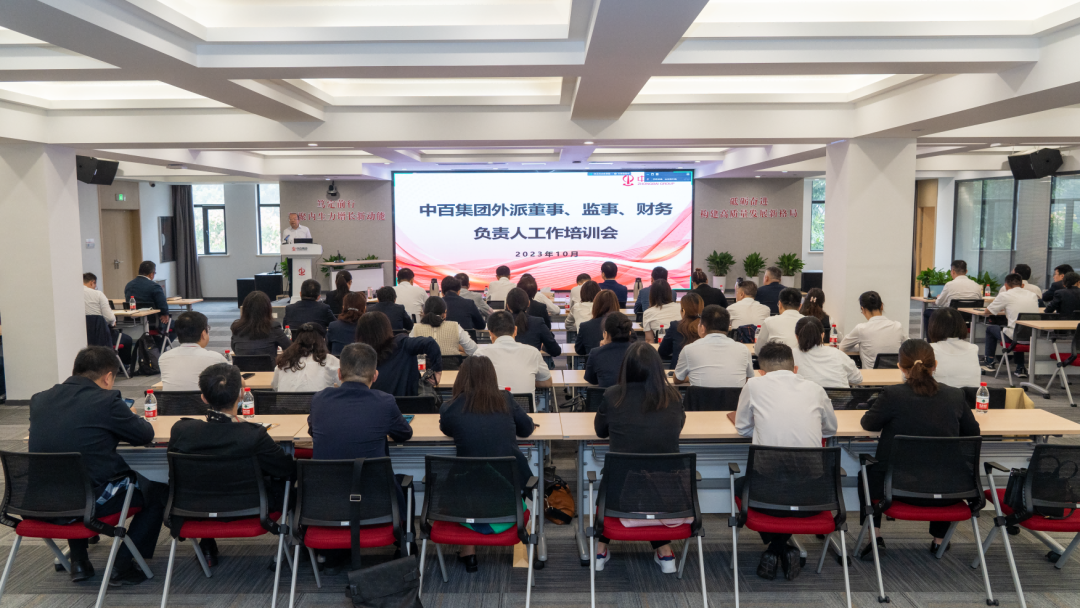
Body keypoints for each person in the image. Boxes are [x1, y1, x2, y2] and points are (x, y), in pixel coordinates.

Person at [28, 346, 165, 585]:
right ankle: (123, 565)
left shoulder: (39, 399)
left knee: (72, 476)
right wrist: (128, 414)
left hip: (39, 500)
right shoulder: (107, 400)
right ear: (108, 377)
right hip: (91, 501)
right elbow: (144, 435)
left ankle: (79, 562)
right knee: (158, 491)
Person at [858, 339, 980, 559]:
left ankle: (874, 537)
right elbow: (973, 432)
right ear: (935, 365)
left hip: (894, 488)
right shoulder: (955, 395)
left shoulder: (893, 395)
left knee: (865, 475)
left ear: (900, 367)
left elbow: (868, 424)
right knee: (942, 468)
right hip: (948, 490)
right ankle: (939, 541)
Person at [170, 363, 297, 566]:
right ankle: (300, 548)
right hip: (252, 508)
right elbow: (286, 469)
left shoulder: (181, 430)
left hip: (194, 508)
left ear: (203, 398)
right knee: (296, 489)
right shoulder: (253, 434)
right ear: (241, 395)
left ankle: (207, 544)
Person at [732, 341, 837, 580]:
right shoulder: (815, 388)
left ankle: (775, 548)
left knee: (740, 485)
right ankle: (783, 548)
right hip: (814, 499)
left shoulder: (754, 385)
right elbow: (830, 430)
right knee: (788, 491)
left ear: (761, 371)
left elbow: (742, 427)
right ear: (795, 369)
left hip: (766, 498)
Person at [593, 342, 685, 574]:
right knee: (649, 473)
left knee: (616, 476)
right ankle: (664, 551)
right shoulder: (673, 397)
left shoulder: (613, 395)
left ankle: (600, 548)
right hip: (666, 495)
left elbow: (600, 431)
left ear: (626, 368)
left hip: (621, 495)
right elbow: (677, 427)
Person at [439, 355, 536, 572]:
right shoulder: (505, 399)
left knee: (468, 483)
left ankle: (469, 552)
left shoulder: (449, 407)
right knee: (483, 482)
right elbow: (527, 429)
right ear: (492, 377)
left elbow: (446, 429)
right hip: (508, 492)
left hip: (466, 498)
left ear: (461, 378)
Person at [308, 342, 413, 459]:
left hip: (326, 471)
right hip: (371, 471)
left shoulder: (319, 399)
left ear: (339, 374)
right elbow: (404, 433)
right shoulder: (385, 402)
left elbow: (313, 431)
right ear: (375, 376)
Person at [355, 311, 442, 397]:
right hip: (409, 404)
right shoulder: (402, 344)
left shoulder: (358, 356)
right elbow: (430, 343)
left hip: (373, 405)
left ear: (360, 334)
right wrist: (437, 371)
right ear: (387, 328)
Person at [674, 304, 753, 387]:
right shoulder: (743, 350)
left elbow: (678, 379)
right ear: (727, 328)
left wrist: (690, 377)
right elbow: (749, 378)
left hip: (700, 396)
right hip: (735, 396)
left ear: (703, 328)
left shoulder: (689, 350)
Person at [475, 311, 552, 395]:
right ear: (515, 330)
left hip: (492, 403)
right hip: (523, 404)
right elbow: (547, 382)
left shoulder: (480, 354)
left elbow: (472, 384)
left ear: (490, 333)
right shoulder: (533, 352)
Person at [981, 272, 1040, 376]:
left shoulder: (1005, 295)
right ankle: (1020, 367)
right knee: (1019, 329)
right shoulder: (1033, 295)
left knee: (991, 329)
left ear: (1006, 286)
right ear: (1022, 285)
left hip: (1015, 337)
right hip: (1033, 336)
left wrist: (1003, 307)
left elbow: (987, 312)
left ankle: (989, 361)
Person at [159, 311, 227, 391]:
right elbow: (234, 384)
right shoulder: (216, 358)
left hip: (171, 399)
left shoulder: (164, 358)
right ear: (203, 333)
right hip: (204, 399)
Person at [839, 291, 905, 369]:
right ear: (882, 306)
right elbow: (909, 347)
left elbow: (842, 347)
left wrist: (861, 346)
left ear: (863, 309)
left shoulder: (861, 329)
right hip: (895, 375)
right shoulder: (897, 326)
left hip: (871, 375)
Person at [793, 316, 862, 388]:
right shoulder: (837, 354)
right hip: (839, 395)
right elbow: (858, 379)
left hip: (807, 395)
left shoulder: (791, 355)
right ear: (822, 335)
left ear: (796, 337)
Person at [272, 322, 340, 391]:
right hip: (319, 398)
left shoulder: (284, 360)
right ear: (323, 340)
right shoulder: (329, 360)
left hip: (287, 398)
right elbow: (343, 383)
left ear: (297, 341)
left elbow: (275, 386)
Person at [84, 272, 132, 364]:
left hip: (84, 337)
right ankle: (124, 366)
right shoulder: (98, 294)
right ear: (92, 282)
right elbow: (109, 318)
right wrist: (113, 322)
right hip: (100, 337)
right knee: (127, 339)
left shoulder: (75, 295)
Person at [927, 308, 981, 388]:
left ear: (933, 326)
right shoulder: (973, 348)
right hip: (973, 395)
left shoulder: (930, 349)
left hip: (944, 394)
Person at [925, 259, 983, 330]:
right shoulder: (976, 285)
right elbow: (980, 301)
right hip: (971, 317)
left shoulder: (949, 285)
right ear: (966, 271)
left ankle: (932, 337)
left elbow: (939, 303)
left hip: (951, 317)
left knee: (927, 312)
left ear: (953, 271)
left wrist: (939, 297)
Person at [410, 296, 478, 357]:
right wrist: (457, 347)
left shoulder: (416, 328)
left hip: (423, 367)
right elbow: (474, 350)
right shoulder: (455, 327)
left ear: (424, 313)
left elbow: (407, 351)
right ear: (444, 313)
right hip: (452, 367)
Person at [231, 290, 291, 357]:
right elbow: (289, 348)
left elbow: (235, 350)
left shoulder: (237, 328)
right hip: (268, 364)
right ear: (268, 309)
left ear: (245, 309)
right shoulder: (273, 327)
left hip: (242, 364)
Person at [506, 287, 561, 358]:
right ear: (528, 303)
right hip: (532, 364)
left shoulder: (501, 323)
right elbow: (556, 351)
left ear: (507, 306)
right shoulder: (538, 322)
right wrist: (543, 346)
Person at [584, 312, 634, 388]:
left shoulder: (595, 353)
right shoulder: (639, 352)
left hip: (606, 395)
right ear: (629, 333)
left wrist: (601, 349)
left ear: (606, 334)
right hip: (634, 395)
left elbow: (591, 379)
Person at [658, 292, 702, 369]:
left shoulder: (675, 326)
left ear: (683, 311)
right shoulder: (705, 327)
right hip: (701, 370)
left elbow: (662, 351)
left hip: (677, 372)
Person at [123, 260, 170, 331]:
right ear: (151, 274)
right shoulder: (155, 286)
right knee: (176, 324)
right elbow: (162, 305)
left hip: (133, 322)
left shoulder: (129, 285)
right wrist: (165, 313)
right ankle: (162, 339)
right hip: (152, 322)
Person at [755, 288, 804, 355]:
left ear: (780, 304)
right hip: (803, 361)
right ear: (800, 306)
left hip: (777, 360)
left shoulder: (769, 322)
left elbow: (758, 351)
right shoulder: (809, 322)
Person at [575, 290, 622, 355]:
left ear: (595, 305)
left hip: (594, 360)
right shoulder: (624, 325)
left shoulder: (585, 327)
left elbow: (579, 350)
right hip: (620, 361)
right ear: (616, 304)